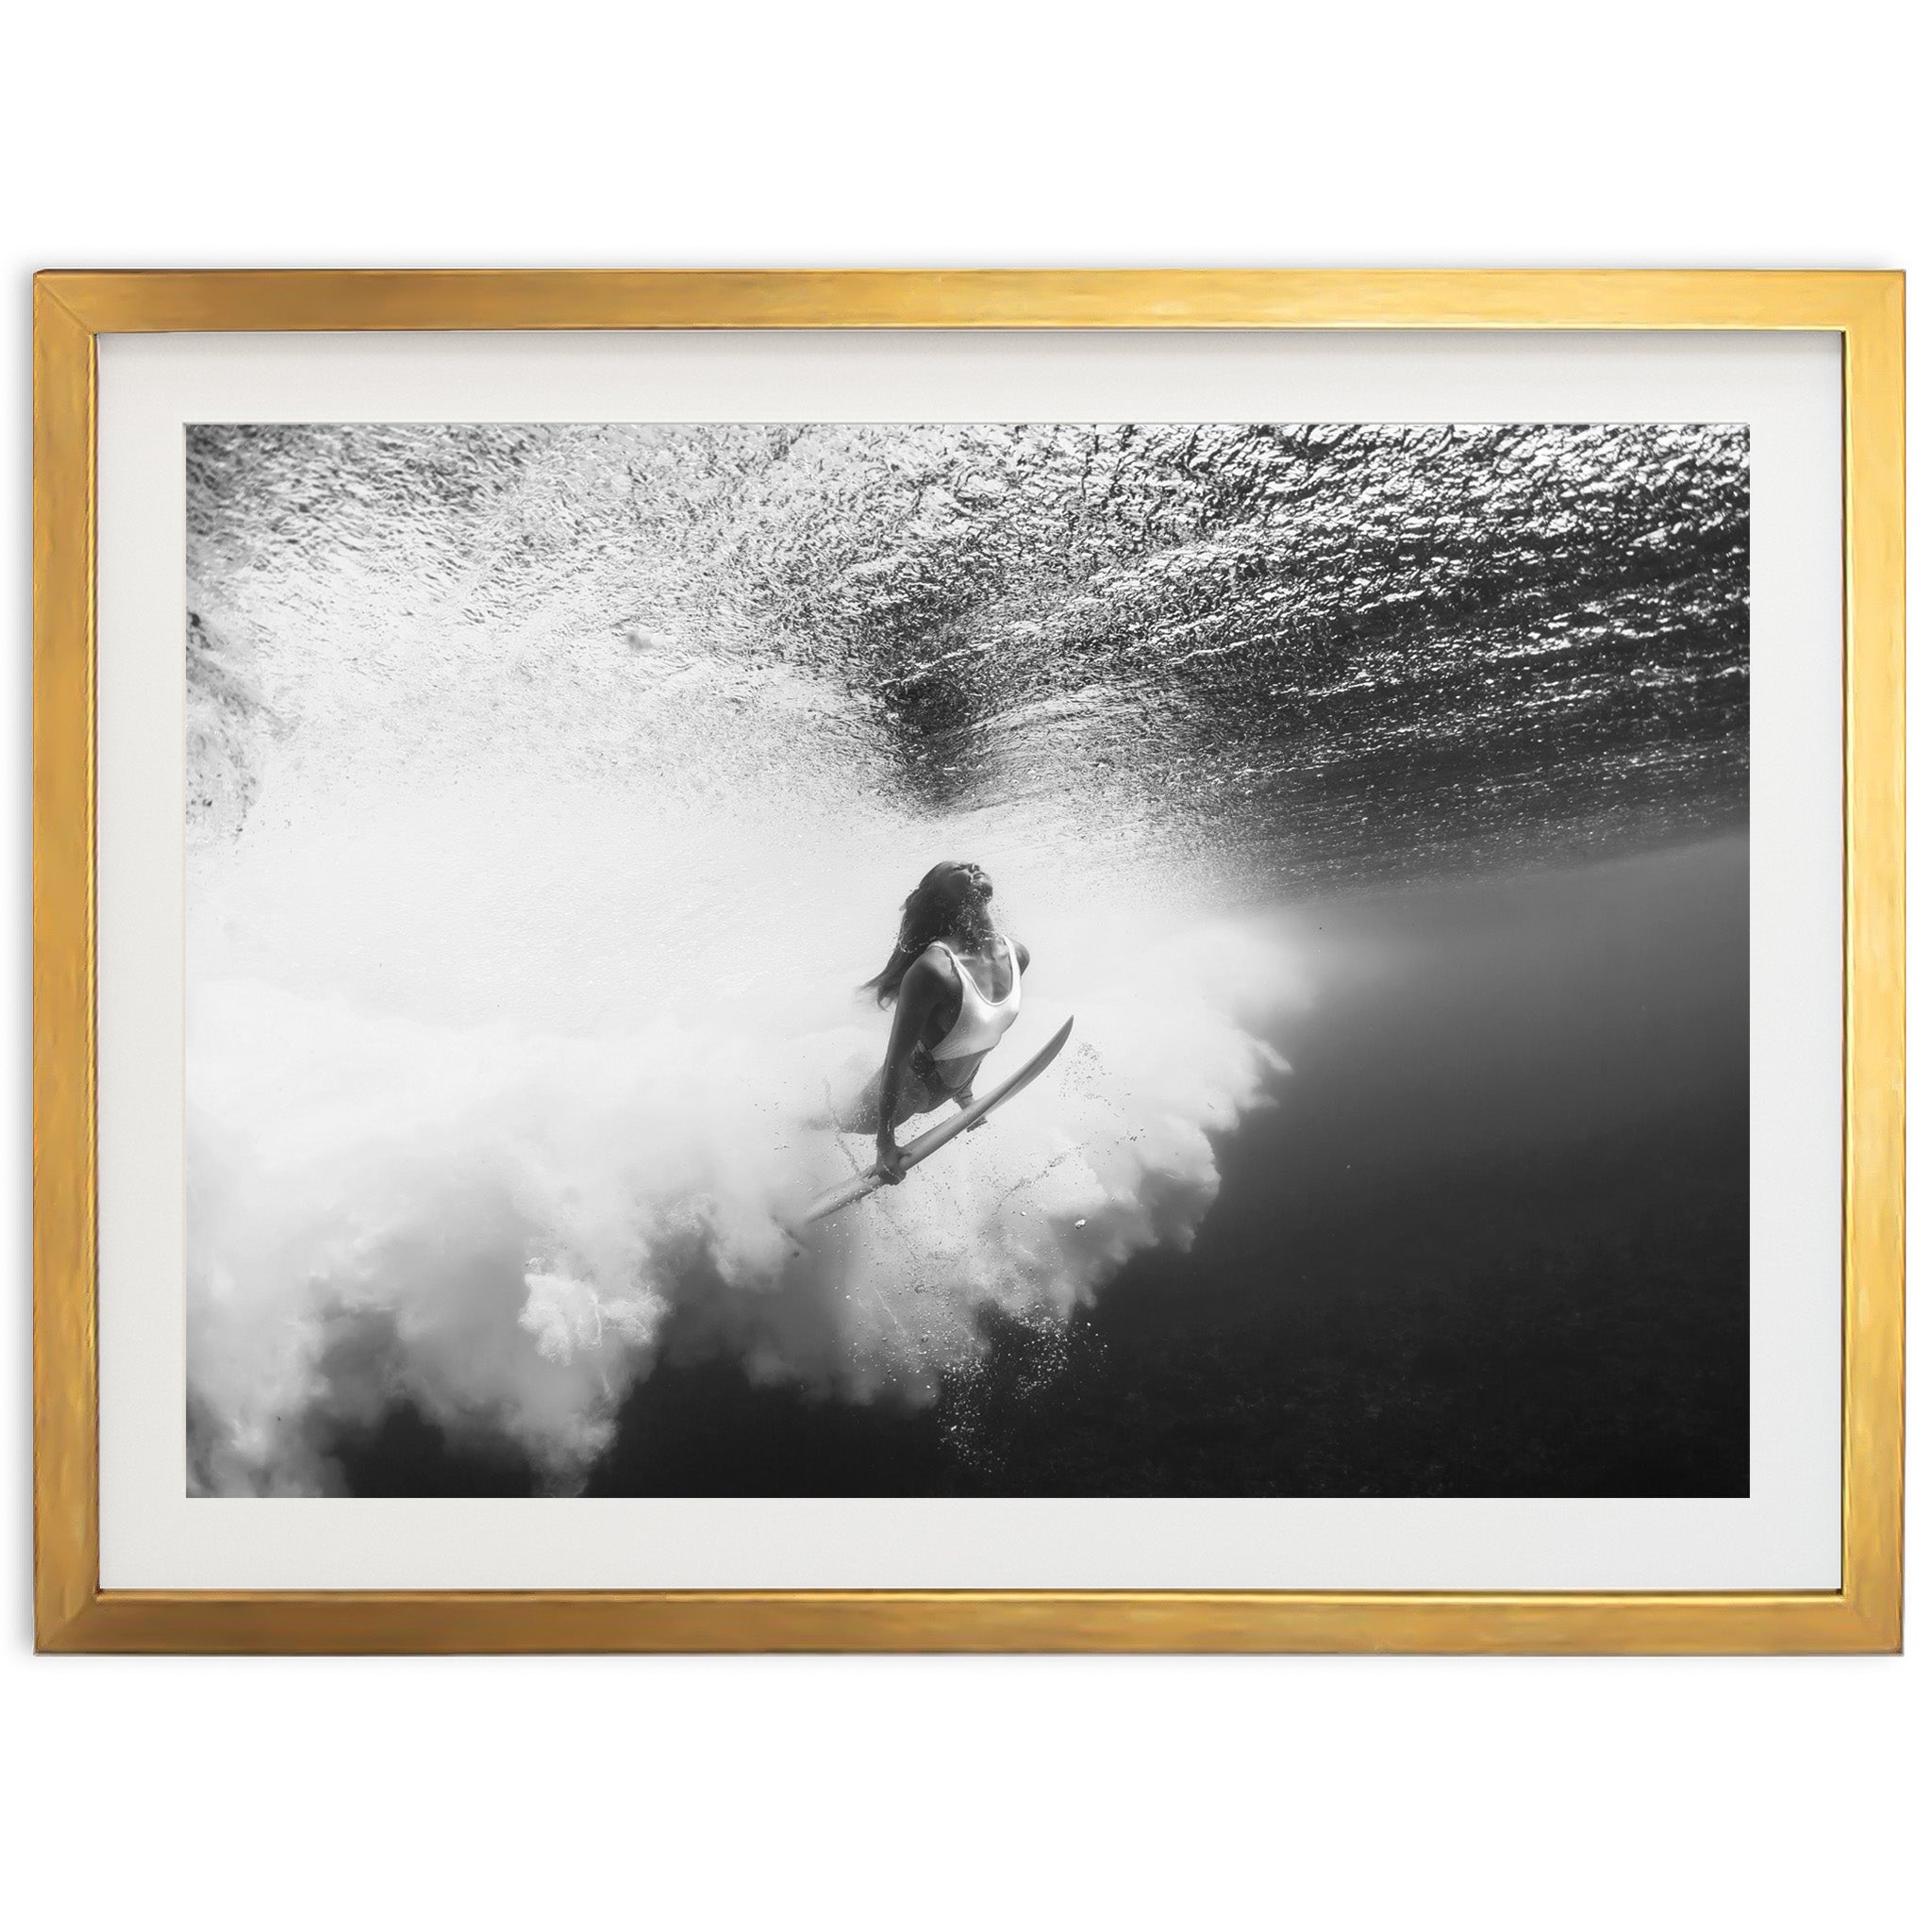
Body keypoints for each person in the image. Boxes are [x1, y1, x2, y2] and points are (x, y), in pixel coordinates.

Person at [847, 860, 1031, 1184]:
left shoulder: (1017, 955)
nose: (972, 865)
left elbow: (980, 1032)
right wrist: (885, 1144)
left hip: (950, 1088)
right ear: (943, 900)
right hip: (907, 1092)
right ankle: (778, 1127)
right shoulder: (934, 969)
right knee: (835, 1120)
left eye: (971, 863)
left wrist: (965, 1095)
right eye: (956, 869)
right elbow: (896, 1059)